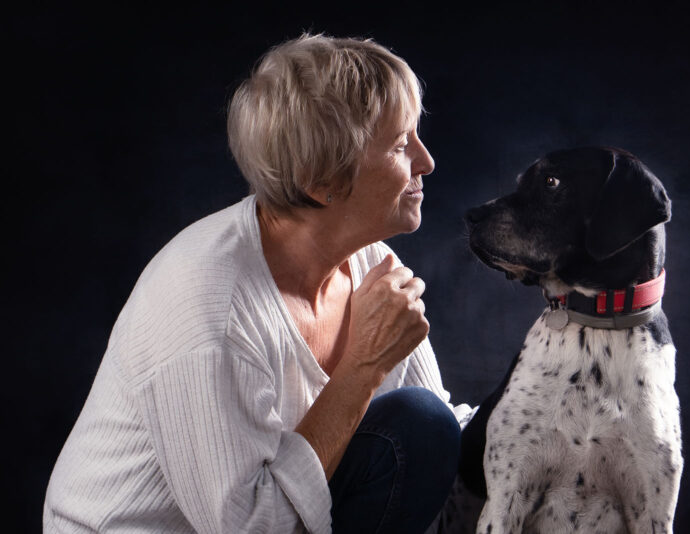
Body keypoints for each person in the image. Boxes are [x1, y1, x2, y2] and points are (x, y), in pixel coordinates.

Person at [43, 33, 476, 533]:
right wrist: (362, 366)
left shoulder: (369, 261)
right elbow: (252, 527)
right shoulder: (208, 302)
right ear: (322, 180)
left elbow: (445, 434)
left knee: (422, 427)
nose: (427, 162)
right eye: (401, 145)